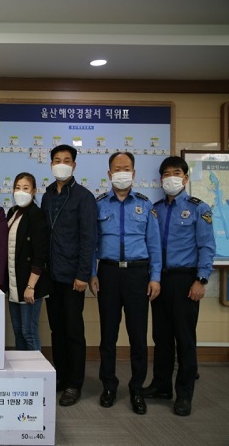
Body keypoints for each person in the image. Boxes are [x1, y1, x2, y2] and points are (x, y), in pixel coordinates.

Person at [89, 151, 162, 415]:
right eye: (117, 168)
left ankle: (136, 389)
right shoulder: (99, 205)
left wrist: (155, 278)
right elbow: (92, 243)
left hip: (137, 275)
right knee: (108, 335)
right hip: (107, 273)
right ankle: (109, 385)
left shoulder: (145, 205)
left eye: (127, 168)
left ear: (133, 172)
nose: (122, 172)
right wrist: (92, 273)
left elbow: (154, 245)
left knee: (137, 336)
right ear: (109, 174)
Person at [143, 156, 215, 416]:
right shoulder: (156, 209)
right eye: (165, 174)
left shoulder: (199, 208)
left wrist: (201, 280)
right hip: (159, 279)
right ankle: (161, 385)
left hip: (186, 280)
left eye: (176, 172)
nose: (170, 177)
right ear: (160, 179)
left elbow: (207, 247)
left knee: (185, 338)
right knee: (161, 336)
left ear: (185, 177)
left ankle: (184, 393)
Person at [41, 144, 97, 407]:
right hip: (51, 274)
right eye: (56, 160)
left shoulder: (84, 197)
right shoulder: (48, 195)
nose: (61, 164)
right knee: (56, 329)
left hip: (74, 275)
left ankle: (75, 383)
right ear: (51, 165)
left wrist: (83, 274)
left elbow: (89, 238)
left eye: (66, 160)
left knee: (74, 330)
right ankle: (61, 377)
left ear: (74, 165)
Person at [6, 172, 51, 351]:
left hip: (29, 284)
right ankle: (21, 373)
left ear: (34, 192)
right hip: (13, 282)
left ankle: (36, 375)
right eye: (17, 188)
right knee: (18, 331)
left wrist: (31, 286)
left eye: (26, 188)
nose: (21, 192)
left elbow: (40, 254)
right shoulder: (12, 212)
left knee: (29, 331)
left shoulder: (37, 215)